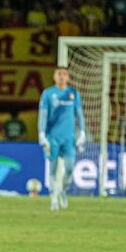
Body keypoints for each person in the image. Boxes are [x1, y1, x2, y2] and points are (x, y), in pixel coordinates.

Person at [38, 67, 85, 211]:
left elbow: (79, 114)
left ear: (68, 77)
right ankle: (53, 198)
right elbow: (43, 115)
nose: (62, 77)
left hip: (68, 138)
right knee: (53, 169)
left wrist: (82, 132)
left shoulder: (72, 94)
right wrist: (41, 133)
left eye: (64, 74)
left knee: (70, 168)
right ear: (54, 76)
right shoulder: (48, 93)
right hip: (52, 137)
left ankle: (63, 191)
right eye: (59, 74)